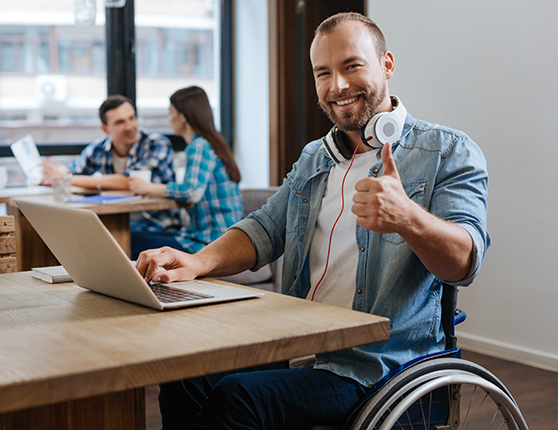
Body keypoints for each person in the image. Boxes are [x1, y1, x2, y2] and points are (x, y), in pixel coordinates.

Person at [136, 12, 491, 430]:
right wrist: (197, 262)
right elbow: (266, 228)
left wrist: (408, 218)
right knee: (184, 377)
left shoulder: (447, 151)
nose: (337, 86)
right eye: (323, 73)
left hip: (376, 368)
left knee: (238, 400)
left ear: (387, 64)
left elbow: (465, 263)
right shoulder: (315, 157)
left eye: (351, 66)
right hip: (296, 347)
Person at [42, 95, 182, 250]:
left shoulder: (156, 143)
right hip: (117, 222)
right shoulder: (99, 148)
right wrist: (54, 174)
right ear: (105, 129)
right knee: (72, 234)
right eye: (120, 122)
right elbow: (72, 166)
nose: (129, 126)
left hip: (156, 224)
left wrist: (66, 179)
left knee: (104, 241)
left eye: (131, 118)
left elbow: (130, 181)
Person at [128, 86, 243, 256]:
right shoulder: (212, 143)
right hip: (216, 237)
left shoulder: (199, 146)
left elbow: (191, 192)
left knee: (130, 239)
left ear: (182, 116)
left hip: (209, 243)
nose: (169, 119)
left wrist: (148, 187)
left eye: (170, 113)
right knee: (137, 230)